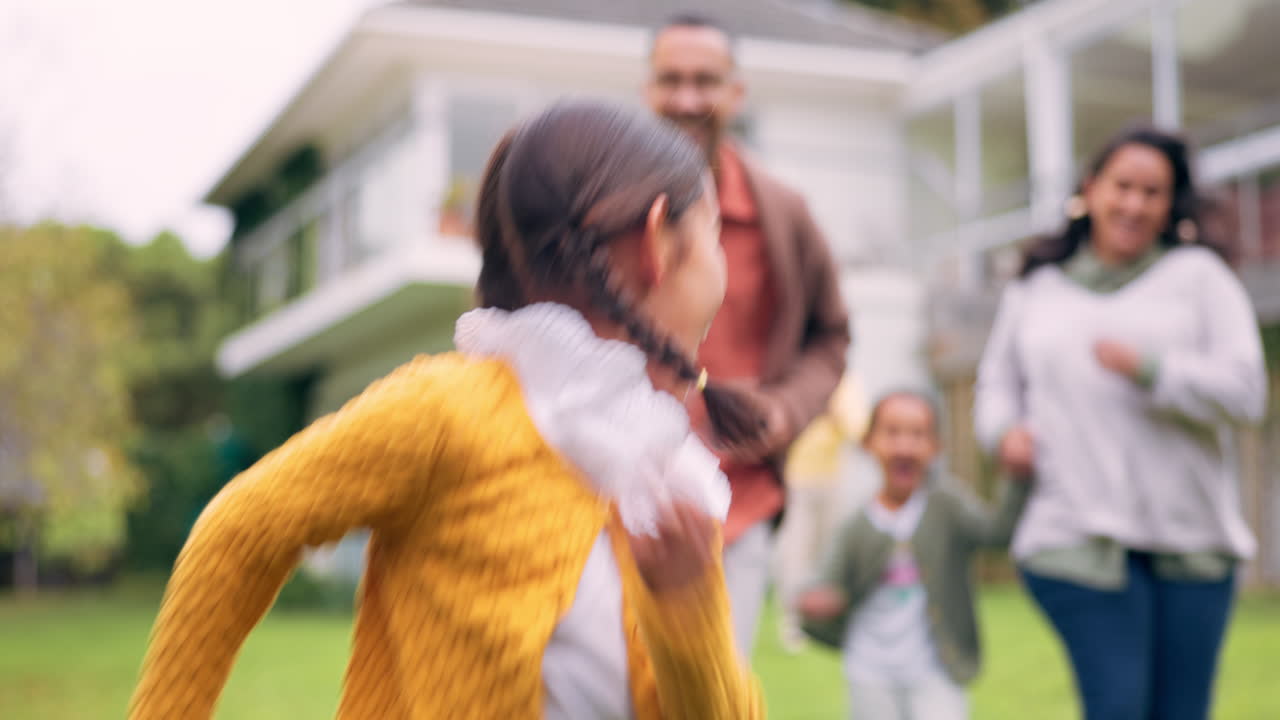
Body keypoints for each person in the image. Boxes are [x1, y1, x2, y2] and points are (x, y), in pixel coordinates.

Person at [128, 100, 765, 719]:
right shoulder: (449, 414)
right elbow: (238, 533)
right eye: (713, 237)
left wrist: (689, 616)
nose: (722, 270)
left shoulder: (661, 481)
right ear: (657, 242)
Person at [974, 125, 1266, 720]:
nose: (1134, 203)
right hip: (1072, 533)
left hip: (1189, 540)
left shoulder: (1200, 278)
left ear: (1170, 204)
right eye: (1122, 186)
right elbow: (996, 386)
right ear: (1090, 189)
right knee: (1117, 705)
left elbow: (1247, 394)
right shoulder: (1037, 288)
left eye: (1152, 192)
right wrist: (1004, 433)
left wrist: (1153, 369)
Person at [645, 12, 852, 655]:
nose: (687, 99)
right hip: (618, 495)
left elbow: (831, 336)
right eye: (671, 80)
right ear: (648, 88)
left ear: (736, 92)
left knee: (712, 691)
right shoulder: (602, 204)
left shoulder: (781, 213)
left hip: (739, 503)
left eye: (705, 81)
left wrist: (785, 409)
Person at [797, 390, 1030, 720]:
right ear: (868, 443)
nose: (904, 446)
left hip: (936, 669)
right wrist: (817, 600)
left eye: (918, 434)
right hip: (870, 670)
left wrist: (1017, 479)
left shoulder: (947, 506)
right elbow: (823, 583)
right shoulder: (856, 524)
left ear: (936, 447)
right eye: (892, 433)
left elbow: (996, 534)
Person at [773, 372, 869, 652]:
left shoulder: (844, 382)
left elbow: (859, 428)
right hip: (794, 480)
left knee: (828, 552)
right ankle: (794, 622)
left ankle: (827, 618)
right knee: (795, 553)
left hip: (831, 480)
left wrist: (836, 414)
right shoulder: (793, 374)